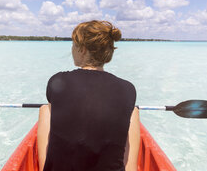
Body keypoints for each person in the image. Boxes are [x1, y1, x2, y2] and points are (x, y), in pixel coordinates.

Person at [37, 20, 140, 171]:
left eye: (73, 45)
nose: (72, 49)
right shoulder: (128, 88)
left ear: (83, 49)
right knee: (133, 112)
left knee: (45, 110)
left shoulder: (57, 81)